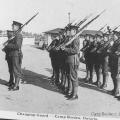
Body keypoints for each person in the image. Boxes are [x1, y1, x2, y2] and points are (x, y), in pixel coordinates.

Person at [61, 25, 80, 100]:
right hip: (69, 59)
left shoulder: (75, 39)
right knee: (70, 76)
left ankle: (75, 95)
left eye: (71, 30)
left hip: (73, 60)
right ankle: (72, 92)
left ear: (74, 31)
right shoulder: (71, 38)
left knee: (73, 77)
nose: (69, 31)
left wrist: (65, 49)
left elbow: (75, 50)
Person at [5, 21, 23, 91]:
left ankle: (16, 85)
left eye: (14, 25)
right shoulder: (14, 35)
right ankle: (11, 82)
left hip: (16, 55)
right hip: (10, 54)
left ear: (18, 27)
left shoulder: (19, 35)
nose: (12, 26)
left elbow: (17, 46)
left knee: (16, 70)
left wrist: (8, 45)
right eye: (12, 25)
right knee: (11, 69)